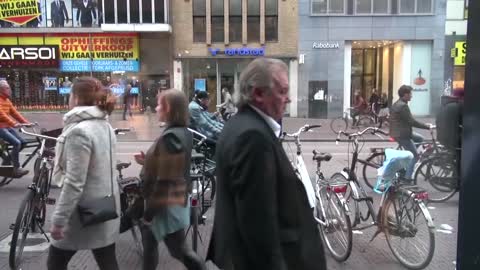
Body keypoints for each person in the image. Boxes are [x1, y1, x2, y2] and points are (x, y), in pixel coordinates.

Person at [206, 58, 327, 270]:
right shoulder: (253, 137)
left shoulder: (238, 124)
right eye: (282, 91)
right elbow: (257, 225)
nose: (287, 99)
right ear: (259, 93)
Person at [47, 77, 120, 270]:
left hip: (81, 212)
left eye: (71, 94)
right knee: (107, 260)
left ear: (77, 98)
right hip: (104, 207)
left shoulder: (79, 132)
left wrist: (59, 220)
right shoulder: (105, 126)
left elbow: (74, 182)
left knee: (55, 262)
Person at [134, 89, 206, 270]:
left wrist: (149, 214)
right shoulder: (181, 132)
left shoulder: (171, 137)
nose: (156, 108)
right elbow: (171, 166)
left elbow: (166, 179)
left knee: (179, 251)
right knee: (159, 247)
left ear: (169, 109)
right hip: (171, 201)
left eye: (159, 104)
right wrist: (148, 160)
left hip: (165, 204)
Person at [389, 85, 432, 180]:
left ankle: (407, 157)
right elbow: (411, 121)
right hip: (402, 134)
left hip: (397, 132)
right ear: (405, 95)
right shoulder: (403, 106)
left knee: (420, 138)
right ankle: (407, 179)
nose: (411, 96)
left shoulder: (397, 103)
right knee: (415, 156)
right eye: (410, 94)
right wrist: (427, 126)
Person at [0, 80, 32, 177]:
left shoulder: (7, 100)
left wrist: (26, 123)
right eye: (7, 88)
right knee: (17, 143)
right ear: (1, 89)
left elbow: (15, 113)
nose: (10, 90)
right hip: (1, 128)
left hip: (7, 127)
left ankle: (6, 161)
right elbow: (1, 115)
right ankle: (16, 168)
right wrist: (14, 123)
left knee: (23, 142)